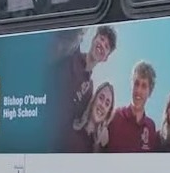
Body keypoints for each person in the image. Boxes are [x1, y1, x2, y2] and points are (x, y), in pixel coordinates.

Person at [56, 25, 117, 153]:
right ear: (93, 39)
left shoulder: (90, 91)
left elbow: (81, 121)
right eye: (101, 39)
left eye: (107, 47)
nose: (102, 45)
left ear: (105, 58)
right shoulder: (72, 51)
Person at [105, 61, 159, 153]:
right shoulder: (114, 116)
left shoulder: (151, 127)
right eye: (136, 84)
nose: (138, 90)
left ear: (150, 92)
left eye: (144, 86)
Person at [72, 81, 115, 153]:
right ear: (94, 98)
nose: (102, 105)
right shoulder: (73, 122)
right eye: (101, 98)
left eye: (107, 104)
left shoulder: (101, 148)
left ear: (107, 114)